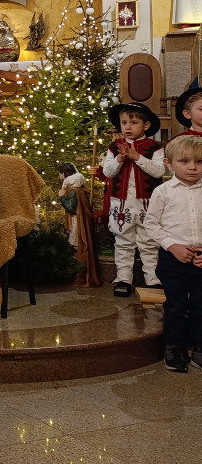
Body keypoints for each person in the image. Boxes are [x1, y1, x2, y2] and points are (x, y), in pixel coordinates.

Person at [142, 133, 202, 373]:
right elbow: (151, 223)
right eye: (185, 161)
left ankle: (199, 347)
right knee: (176, 305)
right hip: (173, 258)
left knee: (200, 305)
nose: (193, 167)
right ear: (169, 163)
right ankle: (174, 347)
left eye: (199, 162)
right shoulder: (163, 191)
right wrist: (172, 246)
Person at [102, 102, 164, 296]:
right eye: (124, 122)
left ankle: (152, 279)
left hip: (148, 202)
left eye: (133, 122)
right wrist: (120, 159)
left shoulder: (156, 147)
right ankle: (123, 278)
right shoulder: (114, 148)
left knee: (149, 241)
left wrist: (137, 157)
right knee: (123, 241)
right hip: (122, 203)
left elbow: (159, 171)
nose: (127, 127)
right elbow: (108, 172)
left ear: (145, 126)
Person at [57, 162, 100, 287]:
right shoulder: (77, 187)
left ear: (64, 173)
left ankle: (78, 277)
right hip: (79, 221)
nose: (59, 176)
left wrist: (61, 198)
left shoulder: (72, 189)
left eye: (60, 173)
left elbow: (72, 207)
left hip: (77, 223)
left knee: (76, 247)